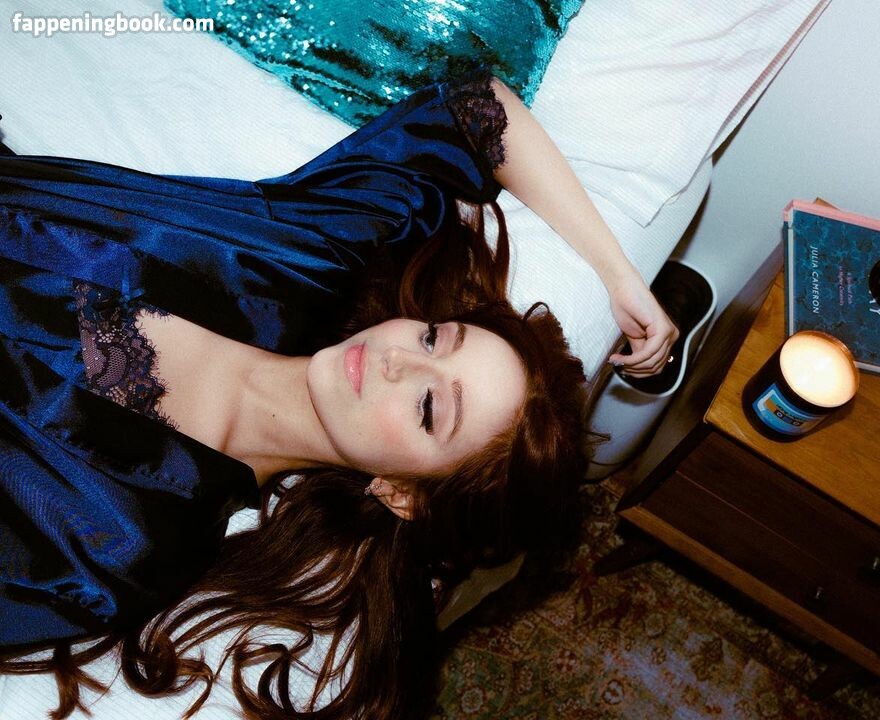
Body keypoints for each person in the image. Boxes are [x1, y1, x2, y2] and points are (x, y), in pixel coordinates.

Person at [0, 70, 678, 718]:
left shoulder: (118, 541)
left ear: (401, 493)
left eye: (429, 408)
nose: (397, 361)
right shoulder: (309, 252)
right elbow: (476, 107)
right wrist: (620, 277)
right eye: (433, 338)